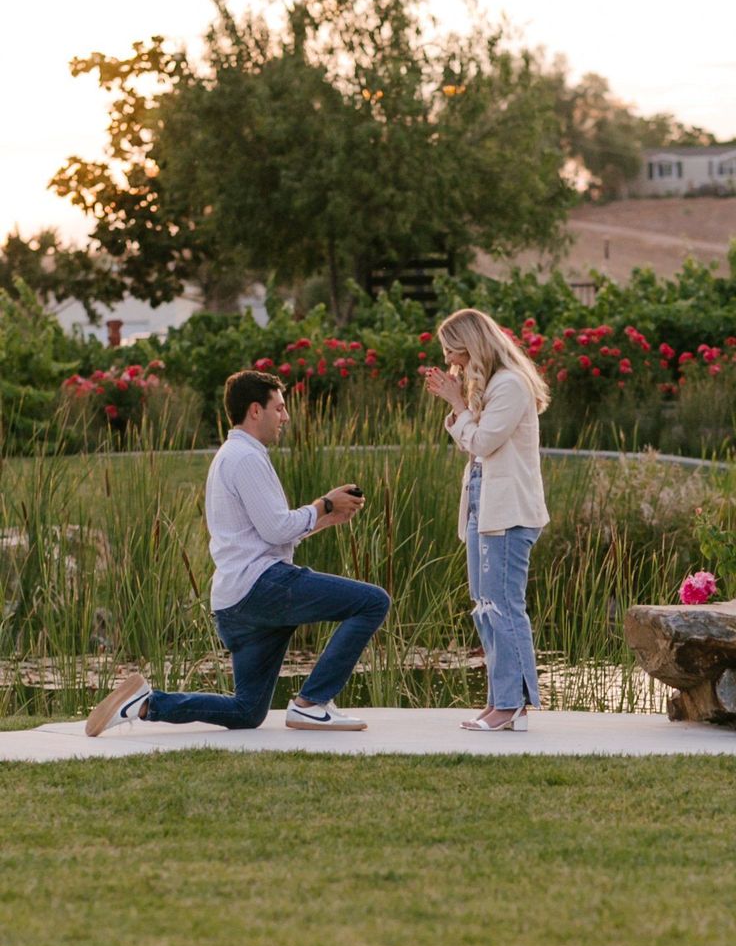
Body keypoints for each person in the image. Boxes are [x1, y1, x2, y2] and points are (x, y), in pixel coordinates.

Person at [86, 369, 390, 737]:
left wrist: (326, 518)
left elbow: (266, 535)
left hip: (235, 603)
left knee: (247, 711)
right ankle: (312, 704)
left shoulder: (233, 456)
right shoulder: (245, 458)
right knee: (372, 602)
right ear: (255, 411)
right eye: (278, 407)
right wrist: (324, 504)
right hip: (261, 588)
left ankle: (147, 703)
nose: (286, 417)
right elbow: (276, 529)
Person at [425, 309, 549, 732]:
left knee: (503, 606)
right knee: (485, 605)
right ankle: (501, 699)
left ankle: (512, 705)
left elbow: (481, 441)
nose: (450, 362)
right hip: (485, 507)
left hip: (509, 513)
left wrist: (458, 403)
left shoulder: (511, 385)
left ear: (470, 344)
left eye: (452, 351)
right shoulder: (495, 385)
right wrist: (462, 404)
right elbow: (475, 444)